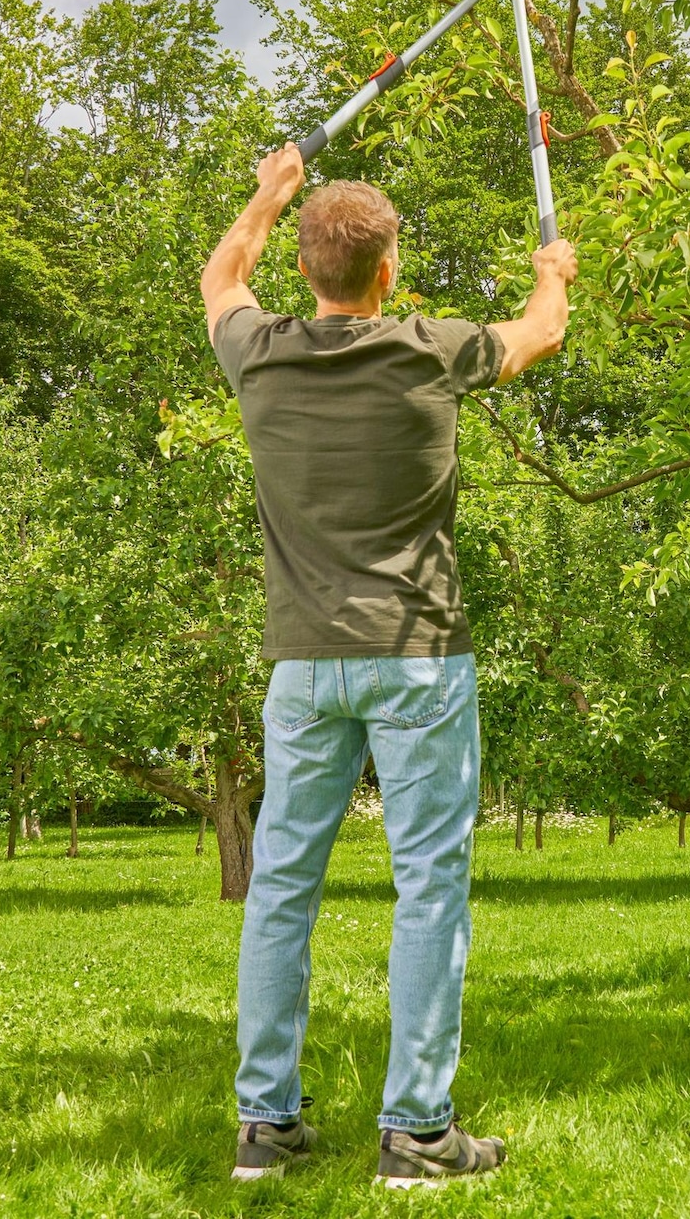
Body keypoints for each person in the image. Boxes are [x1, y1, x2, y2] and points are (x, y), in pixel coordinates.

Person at [200, 142, 577, 1189]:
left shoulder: (257, 353)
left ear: (311, 267)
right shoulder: (431, 349)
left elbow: (221, 275)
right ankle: (416, 1134)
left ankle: (265, 1128)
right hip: (417, 659)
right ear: (386, 273)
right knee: (429, 893)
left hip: (305, 668)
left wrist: (269, 195)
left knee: (280, 888)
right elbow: (543, 332)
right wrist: (552, 271)